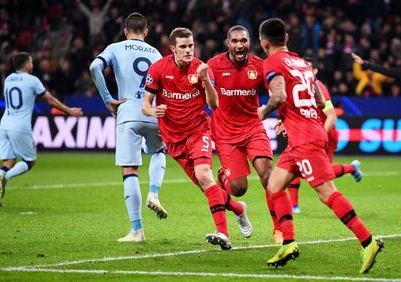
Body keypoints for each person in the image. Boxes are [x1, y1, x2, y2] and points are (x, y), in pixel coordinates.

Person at [257, 18, 383, 274]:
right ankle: (289, 243)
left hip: (304, 137)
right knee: (274, 185)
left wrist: (265, 111)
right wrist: (297, 114)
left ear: (263, 42)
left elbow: (279, 95)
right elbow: (316, 94)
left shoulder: (272, 62)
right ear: (287, 39)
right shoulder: (301, 62)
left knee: (326, 192)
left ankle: (367, 241)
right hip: (306, 132)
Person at [142, 27, 251, 250]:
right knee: (207, 187)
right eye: (183, 47)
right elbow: (145, 104)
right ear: (172, 49)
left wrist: (206, 81)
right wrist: (154, 112)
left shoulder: (202, 69)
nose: (188, 50)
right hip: (173, 140)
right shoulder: (159, 68)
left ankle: (223, 233)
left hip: (198, 131)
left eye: (191, 45)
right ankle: (239, 209)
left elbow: (214, 105)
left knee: (204, 175)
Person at [89, 12, 168, 243]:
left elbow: (95, 67)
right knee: (159, 151)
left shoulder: (116, 47)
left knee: (130, 170)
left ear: (125, 30)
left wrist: (107, 99)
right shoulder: (156, 53)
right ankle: (154, 192)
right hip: (153, 111)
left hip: (128, 112)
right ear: (146, 31)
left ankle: (137, 231)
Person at [207, 25, 282, 243]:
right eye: (235, 41)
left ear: (250, 42)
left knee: (268, 174)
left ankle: (278, 229)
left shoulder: (259, 65)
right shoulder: (214, 65)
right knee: (238, 189)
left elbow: (277, 92)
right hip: (225, 133)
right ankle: (224, 175)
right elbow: (207, 98)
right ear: (228, 43)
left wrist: (283, 116)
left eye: (244, 41)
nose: (240, 45)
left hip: (252, 128)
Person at [0, 52, 83, 207]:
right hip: (20, 126)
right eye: (31, 62)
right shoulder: (32, 81)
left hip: (4, 124)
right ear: (26, 64)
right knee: (29, 161)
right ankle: (4, 177)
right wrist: (70, 111)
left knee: (9, 161)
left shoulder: (8, 79)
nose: (32, 65)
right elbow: (50, 100)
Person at [286, 57, 363, 214]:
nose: (304, 71)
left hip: (324, 134)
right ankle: (294, 206)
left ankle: (351, 168)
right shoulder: (298, 86)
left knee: (324, 175)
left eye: (308, 68)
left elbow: (332, 116)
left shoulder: (319, 87)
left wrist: (320, 136)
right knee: (293, 165)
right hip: (306, 135)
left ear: (315, 71)